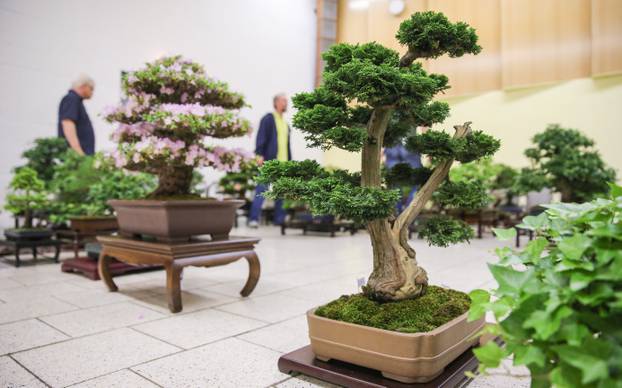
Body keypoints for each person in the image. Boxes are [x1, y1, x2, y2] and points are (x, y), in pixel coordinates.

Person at [248, 93, 292, 228]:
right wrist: (259, 154)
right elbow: (261, 137)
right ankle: (253, 219)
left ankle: (279, 219)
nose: (286, 103)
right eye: (283, 101)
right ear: (276, 103)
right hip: (269, 162)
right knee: (262, 189)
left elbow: (286, 145)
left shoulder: (285, 123)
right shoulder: (268, 119)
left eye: (286, 101)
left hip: (283, 163)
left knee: (281, 193)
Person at [384, 127, 426, 213]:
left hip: (392, 143)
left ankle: (397, 217)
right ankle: (408, 215)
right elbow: (424, 123)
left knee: (393, 182)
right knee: (416, 180)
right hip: (409, 142)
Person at [57, 75, 96, 155]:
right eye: (91, 89)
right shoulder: (71, 99)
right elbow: (68, 123)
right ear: (83, 86)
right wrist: (78, 152)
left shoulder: (76, 101)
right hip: (76, 156)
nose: (92, 92)